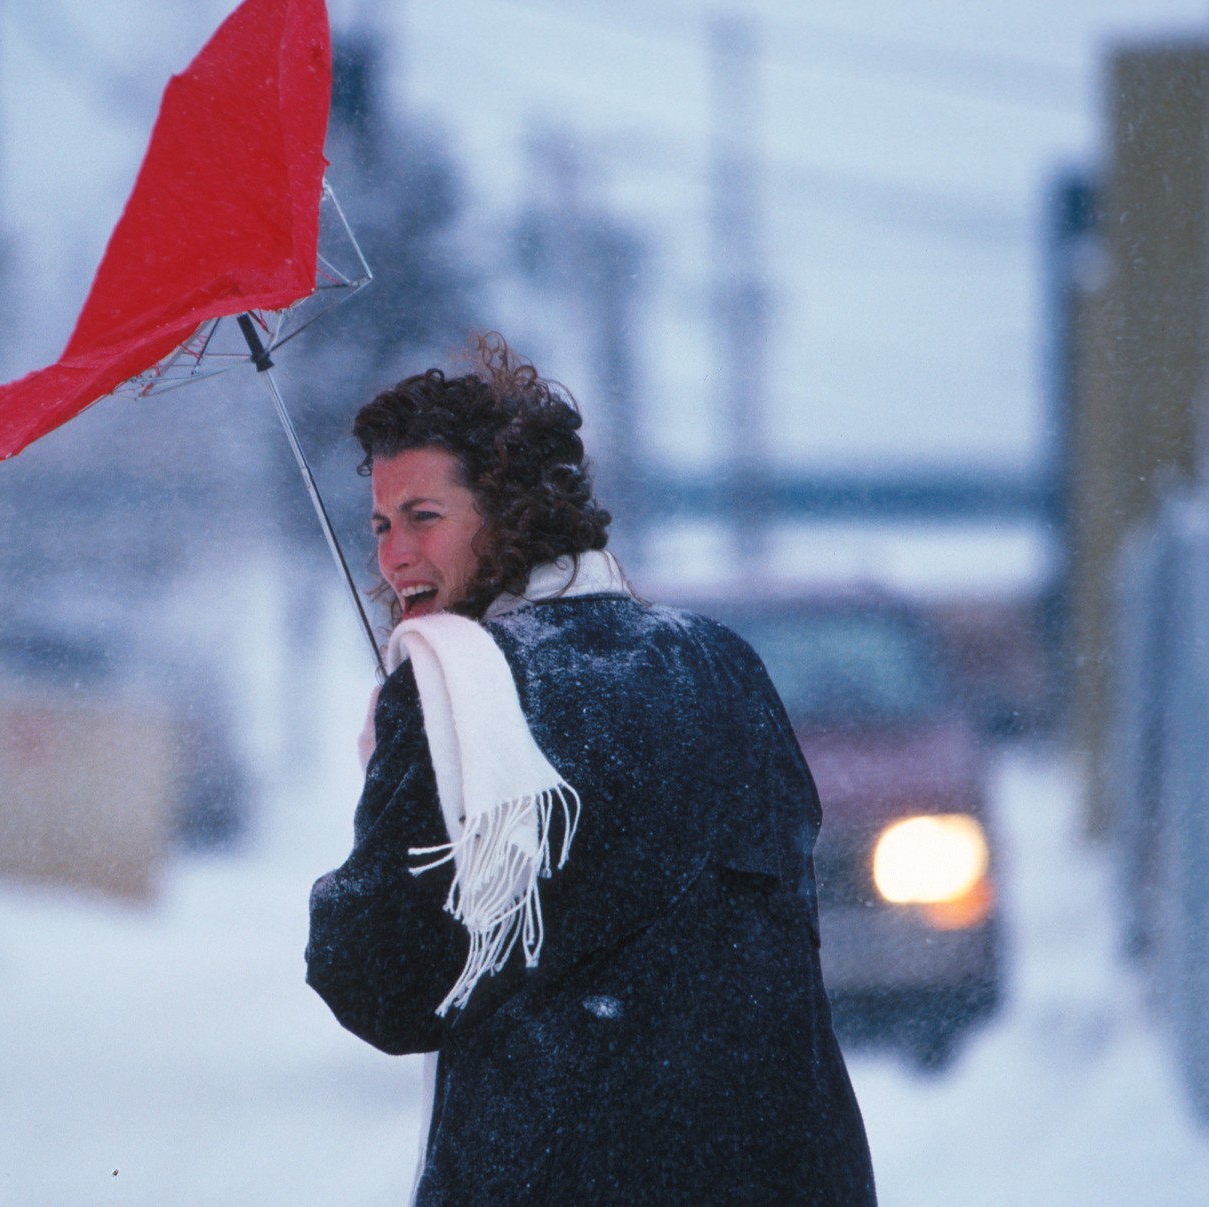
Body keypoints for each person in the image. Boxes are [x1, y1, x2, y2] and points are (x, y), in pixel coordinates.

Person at [305, 335, 876, 1205]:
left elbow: (385, 984)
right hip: (782, 1167)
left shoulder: (461, 696)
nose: (392, 556)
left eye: (423, 516)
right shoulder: (723, 661)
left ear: (510, 512)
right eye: (381, 525)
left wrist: (393, 775)